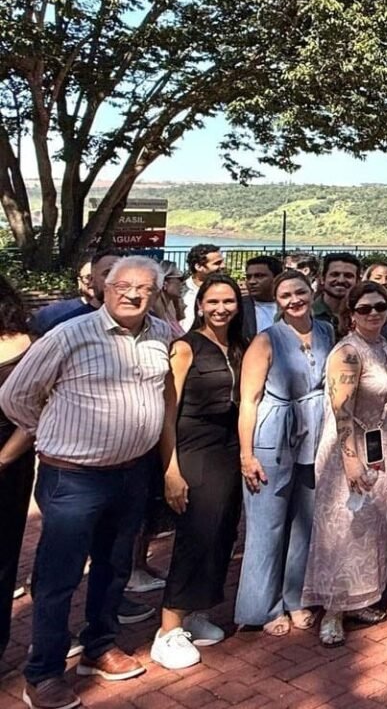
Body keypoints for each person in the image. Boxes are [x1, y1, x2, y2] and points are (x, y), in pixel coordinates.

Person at [1, 256, 175, 704]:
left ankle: (99, 646)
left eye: (143, 288)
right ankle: (43, 672)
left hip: (131, 472)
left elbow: (164, 394)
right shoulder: (69, 335)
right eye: (122, 286)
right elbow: (16, 396)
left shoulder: (161, 333)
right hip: (72, 478)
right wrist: (53, 430)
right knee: (58, 578)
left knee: (114, 568)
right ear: (104, 288)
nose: (132, 294)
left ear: (156, 293)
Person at [151, 274, 248, 670]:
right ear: (200, 305)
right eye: (213, 302)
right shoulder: (185, 348)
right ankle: (168, 628)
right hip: (194, 449)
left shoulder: (238, 346)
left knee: (223, 531)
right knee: (195, 534)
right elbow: (167, 413)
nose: (221, 309)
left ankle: (196, 610)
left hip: (228, 449)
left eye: (228, 301)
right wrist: (171, 470)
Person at [234, 270, 334, 635]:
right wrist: (246, 454)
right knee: (267, 524)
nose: (294, 300)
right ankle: (263, 606)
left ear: (312, 291)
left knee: (305, 521)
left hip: (315, 434)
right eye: (285, 295)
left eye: (300, 292)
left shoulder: (326, 331)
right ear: (277, 301)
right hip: (273, 435)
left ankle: (296, 596)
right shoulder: (266, 340)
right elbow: (249, 400)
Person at [304, 281, 387, 647]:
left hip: (380, 445)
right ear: (351, 314)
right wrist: (350, 459)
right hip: (350, 448)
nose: (373, 313)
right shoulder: (347, 352)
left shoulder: (383, 346)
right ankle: (332, 610)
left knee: (369, 526)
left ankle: (359, 599)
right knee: (343, 528)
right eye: (364, 308)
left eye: (379, 307)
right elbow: (340, 410)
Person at [0, 275, 34, 667]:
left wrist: (3, 460)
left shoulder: (27, 346)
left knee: (3, 557)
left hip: (8, 463)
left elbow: (34, 413)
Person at [31, 249, 121, 336]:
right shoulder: (61, 322)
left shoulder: (128, 320)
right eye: (107, 273)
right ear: (91, 280)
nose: (115, 280)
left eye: (120, 274)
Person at [180, 245, 226, 330]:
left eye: (222, 262)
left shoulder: (226, 290)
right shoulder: (181, 292)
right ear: (199, 267)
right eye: (217, 263)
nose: (223, 266)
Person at [312, 253, 361, 328]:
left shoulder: (365, 313)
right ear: (322, 279)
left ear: (357, 281)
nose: (341, 280)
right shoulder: (307, 314)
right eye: (335, 274)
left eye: (348, 276)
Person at [243, 256, 282, 335]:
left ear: (276, 278)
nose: (252, 281)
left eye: (259, 276)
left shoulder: (290, 306)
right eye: (248, 277)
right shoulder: (239, 307)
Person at [150, 261, 187, 336]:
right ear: (164, 282)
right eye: (180, 279)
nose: (183, 283)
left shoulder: (171, 309)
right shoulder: (152, 312)